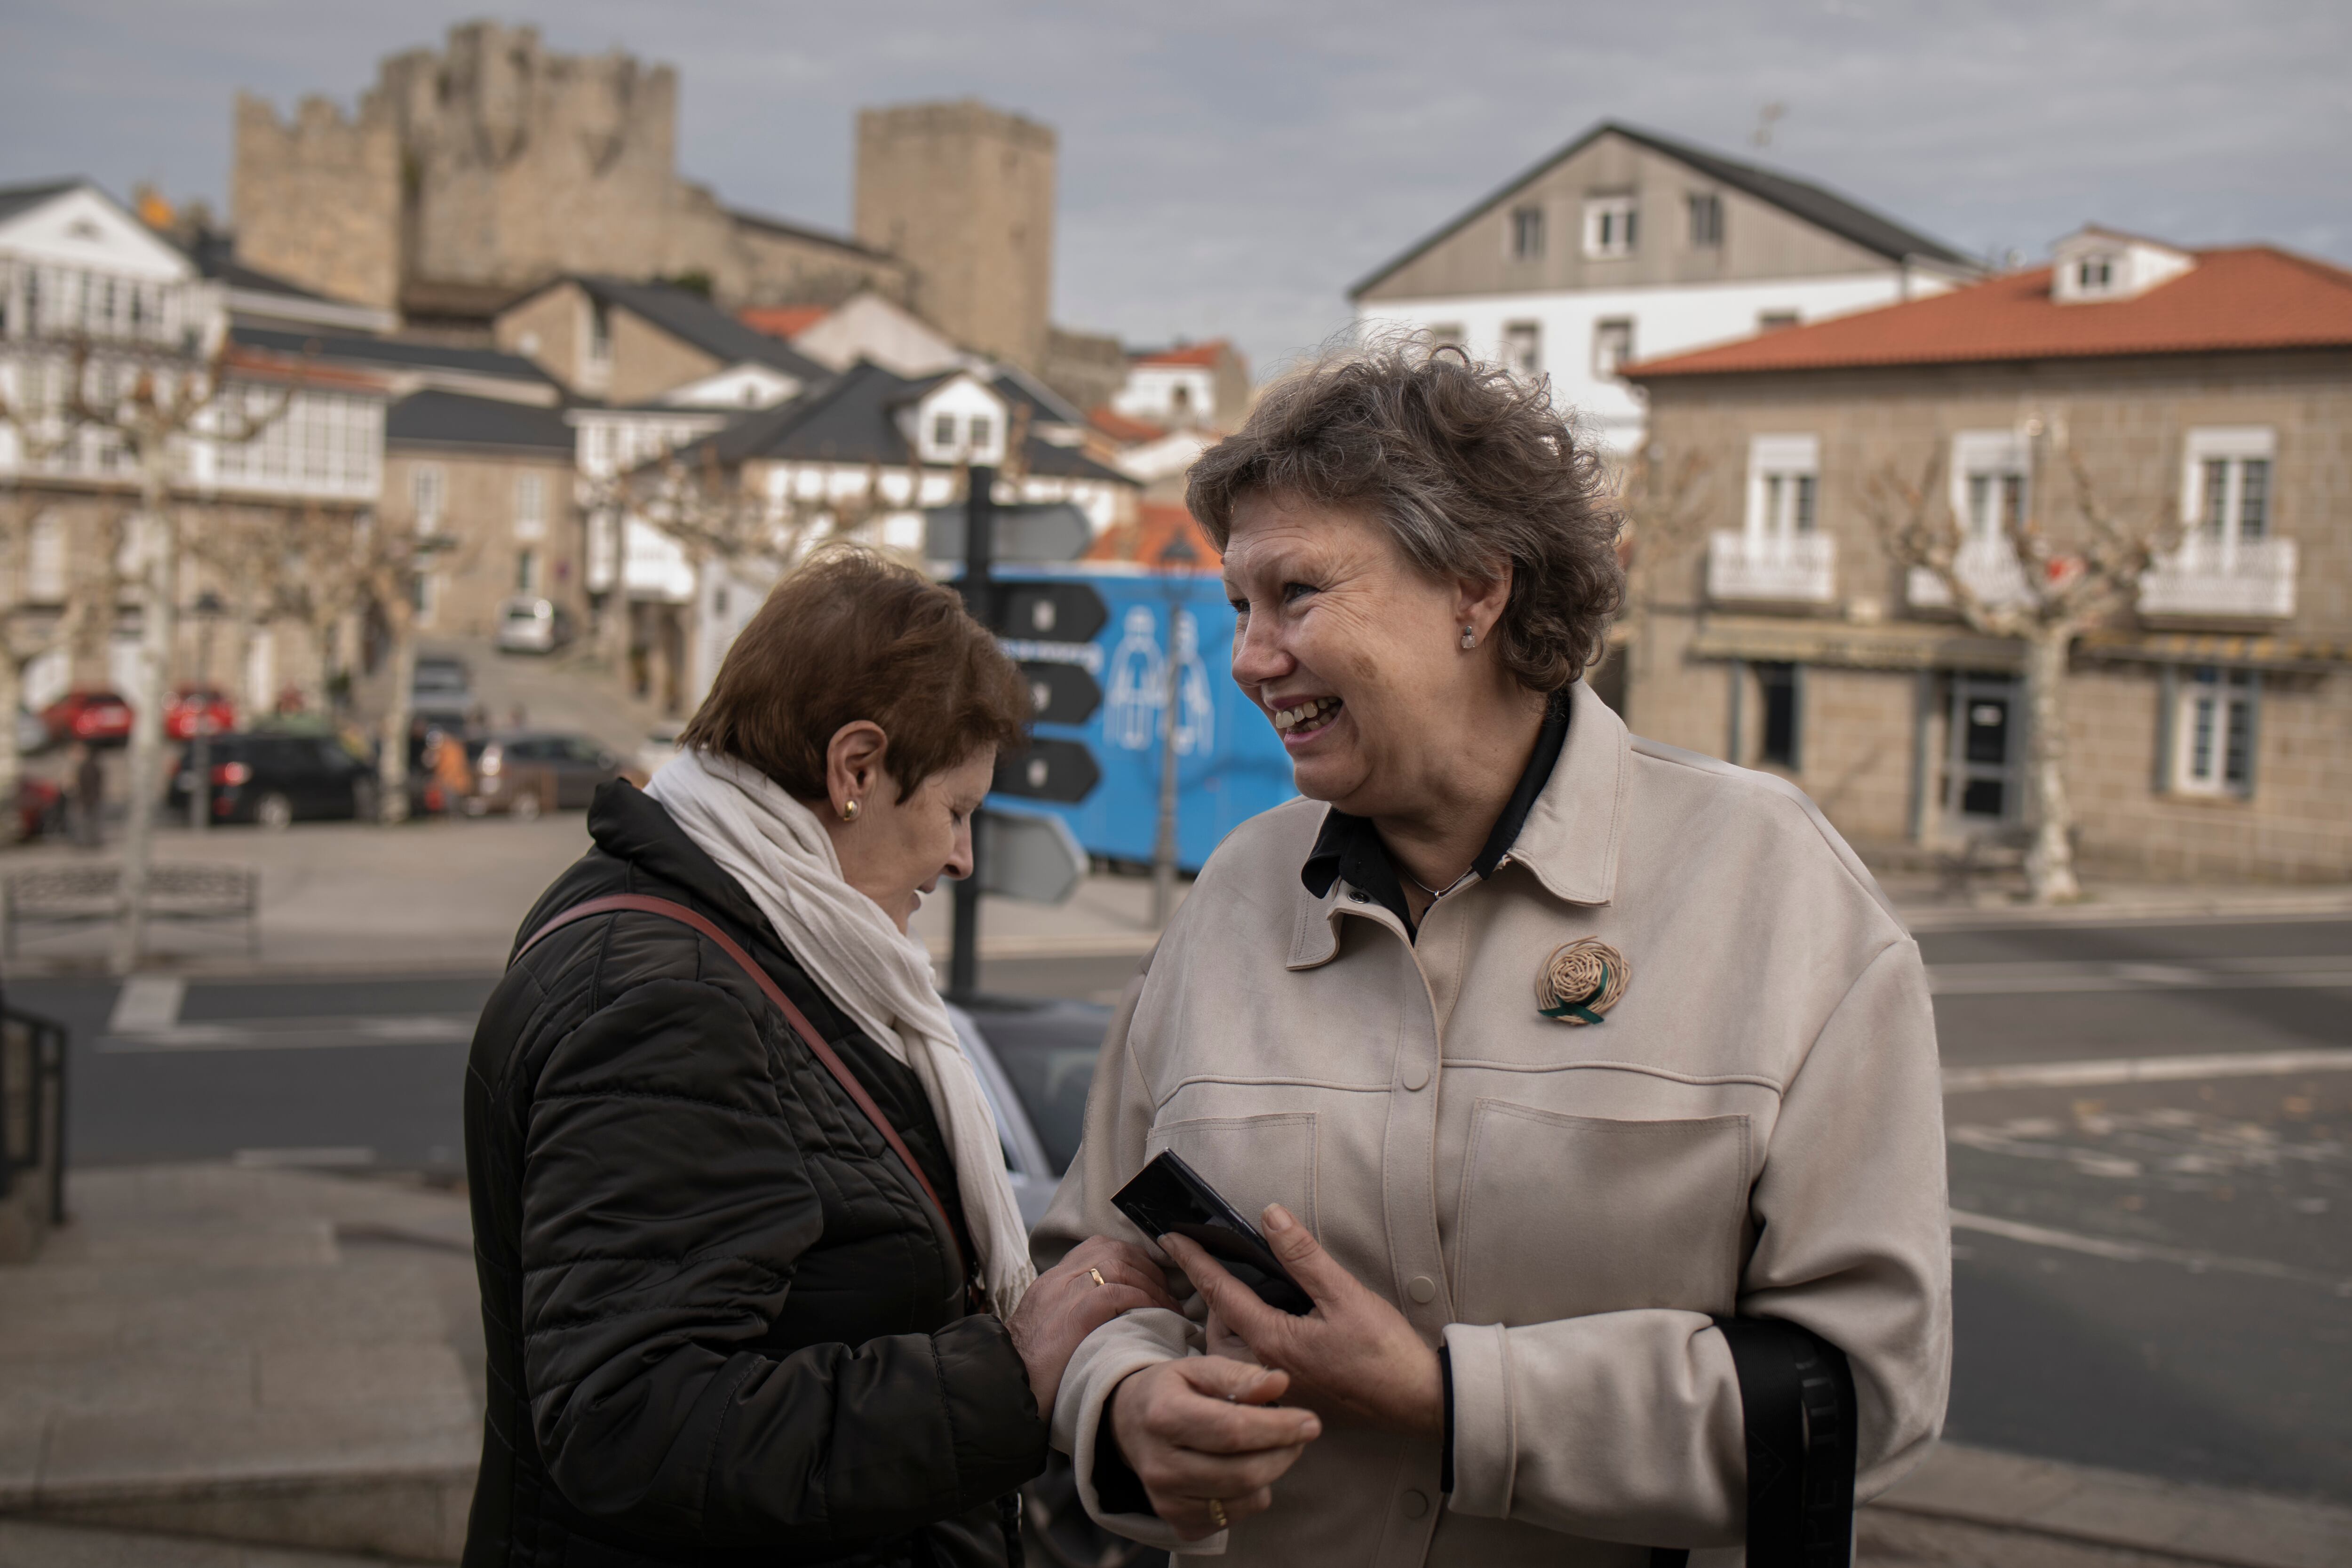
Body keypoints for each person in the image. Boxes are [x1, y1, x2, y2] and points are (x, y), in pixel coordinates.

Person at [1033, 346, 1950, 1564]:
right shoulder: (1235, 893)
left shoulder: (1775, 885)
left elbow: (1867, 1387)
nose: (1251, 657)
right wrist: (1123, 1402)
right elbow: (1091, 1266)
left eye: (1296, 593)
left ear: (1476, 590)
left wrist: (1453, 1399)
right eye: (1238, 607)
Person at [462, 548, 1176, 1568]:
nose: (962, 858)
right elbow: (635, 1424)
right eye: (957, 809)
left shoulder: (724, 933)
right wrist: (1009, 1372)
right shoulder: (672, 998)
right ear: (855, 768)